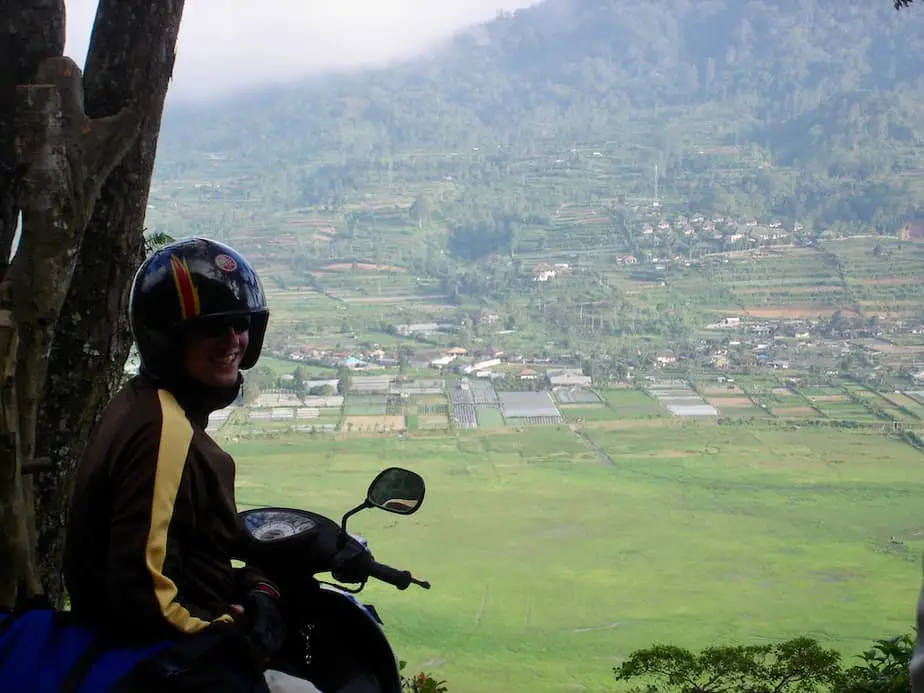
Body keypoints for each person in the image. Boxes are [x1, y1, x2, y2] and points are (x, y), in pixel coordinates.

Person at [62, 238, 316, 693]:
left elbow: (179, 551)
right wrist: (228, 635)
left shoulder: (146, 405)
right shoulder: (164, 429)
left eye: (240, 324)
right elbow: (142, 593)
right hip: (169, 665)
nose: (232, 341)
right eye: (211, 328)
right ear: (168, 338)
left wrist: (253, 585)